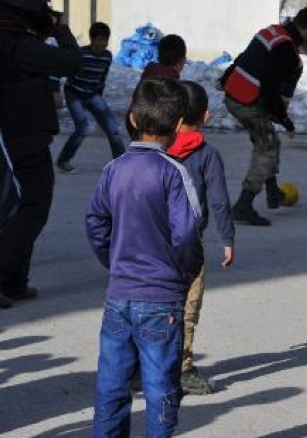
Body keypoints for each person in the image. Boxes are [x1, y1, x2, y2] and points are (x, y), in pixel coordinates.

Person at [86, 77, 203, 437]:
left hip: (119, 296)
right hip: (161, 298)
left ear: (133, 119)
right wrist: (182, 273)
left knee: (112, 384)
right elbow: (186, 233)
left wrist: (114, 260)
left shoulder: (113, 169)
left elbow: (95, 222)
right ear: (180, 124)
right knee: (160, 388)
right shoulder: (174, 172)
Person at [0, 0, 82, 308]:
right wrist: (61, 28)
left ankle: (16, 282)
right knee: (33, 207)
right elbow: (73, 62)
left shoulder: (12, 37)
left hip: (9, 137)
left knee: (17, 207)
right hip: (23, 137)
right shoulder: (20, 46)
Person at [165, 80, 235, 395]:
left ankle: (142, 366)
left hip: (152, 241)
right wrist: (228, 238)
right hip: (190, 243)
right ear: (205, 115)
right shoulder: (207, 155)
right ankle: (182, 368)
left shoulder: (157, 149)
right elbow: (218, 200)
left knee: (152, 302)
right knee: (187, 306)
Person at [221, 7, 307, 226]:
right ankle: (244, 204)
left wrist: (226, 77)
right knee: (267, 148)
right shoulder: (287, 51)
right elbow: (270, 85)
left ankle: (273, 192)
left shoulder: (271, 32)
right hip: (246, 101)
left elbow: (243, 57)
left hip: (234, 94)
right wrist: (284, 119)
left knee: (266, 140)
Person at [55, 22, 125, 173]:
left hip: (93, 94)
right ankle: (63, 160)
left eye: (105, 40)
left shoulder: (107, 56)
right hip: (74, 94)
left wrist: (100, 110)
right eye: (99, 40)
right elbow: (63, 70)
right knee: (83, 127)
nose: (103, 43)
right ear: (92, 40)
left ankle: (122, 163)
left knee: (113, 128)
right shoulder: (81, 54)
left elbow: (101, 79)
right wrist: (56, 91)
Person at [126, 34, 188, 138]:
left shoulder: (150, 72)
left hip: (135, 126)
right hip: (156, 133)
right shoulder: (170, 81)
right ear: (182, 59)